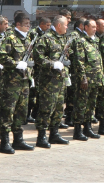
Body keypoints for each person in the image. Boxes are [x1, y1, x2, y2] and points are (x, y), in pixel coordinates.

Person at [0, 13, 36, 151]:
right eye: (26, 24)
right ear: (18, 25)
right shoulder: (10, 38)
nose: (28, 27)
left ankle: (18, 140)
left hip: (24, 81)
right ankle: (4, 142)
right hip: (11, 82)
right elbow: (1, 56)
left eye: (29, 25)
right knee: (7, 112)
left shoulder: (27, 39)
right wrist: (15, 64)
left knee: (21, 112)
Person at [32, 15, 71, 148]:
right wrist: (52, 64)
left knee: (59, 108)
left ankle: (54, 134)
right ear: (59, 25)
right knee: (46, 109)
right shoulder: (46, 38)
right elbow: (38, 57)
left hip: (60, 79)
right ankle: (41, 136)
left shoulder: (64, 38)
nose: (67, 27)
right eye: (66, 25)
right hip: (49, 81)